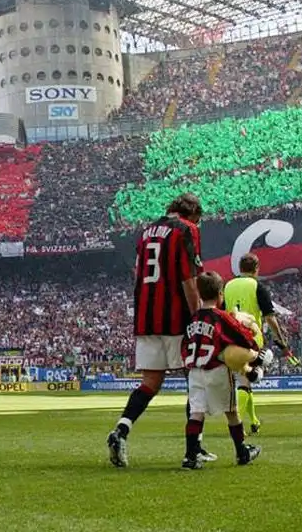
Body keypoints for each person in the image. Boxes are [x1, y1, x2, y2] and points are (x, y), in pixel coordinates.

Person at [108, 192, 203, 469]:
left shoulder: (146, 231)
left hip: (147, 317)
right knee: (195, 380)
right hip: (176, 318)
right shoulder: (187, 230)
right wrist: (198, 317)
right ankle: (192, 451)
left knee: (150, 383)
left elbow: (138, 275)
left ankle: (121, 431)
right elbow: (188, 277)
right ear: (193, 214)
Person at [182, 272, 263, 471]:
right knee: (231, 411)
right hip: (216, 369)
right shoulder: (221, 317)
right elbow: (243, 337)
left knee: (196, 413)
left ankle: (190, 456)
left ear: (200, 294)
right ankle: (242, 452)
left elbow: (184, 346)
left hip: (195, 371)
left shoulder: (193, 318)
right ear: (221, 294)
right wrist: (254, 350)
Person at [221, 253, 286, 435]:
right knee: (245, 379)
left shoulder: (228, 286)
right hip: (251, 336)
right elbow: (270, 318)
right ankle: (238, 422)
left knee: (245, 378)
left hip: (231, 337)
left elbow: (222, 311)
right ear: (256, 268)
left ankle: (254, 420)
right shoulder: (257, 286)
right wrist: (280, 338)